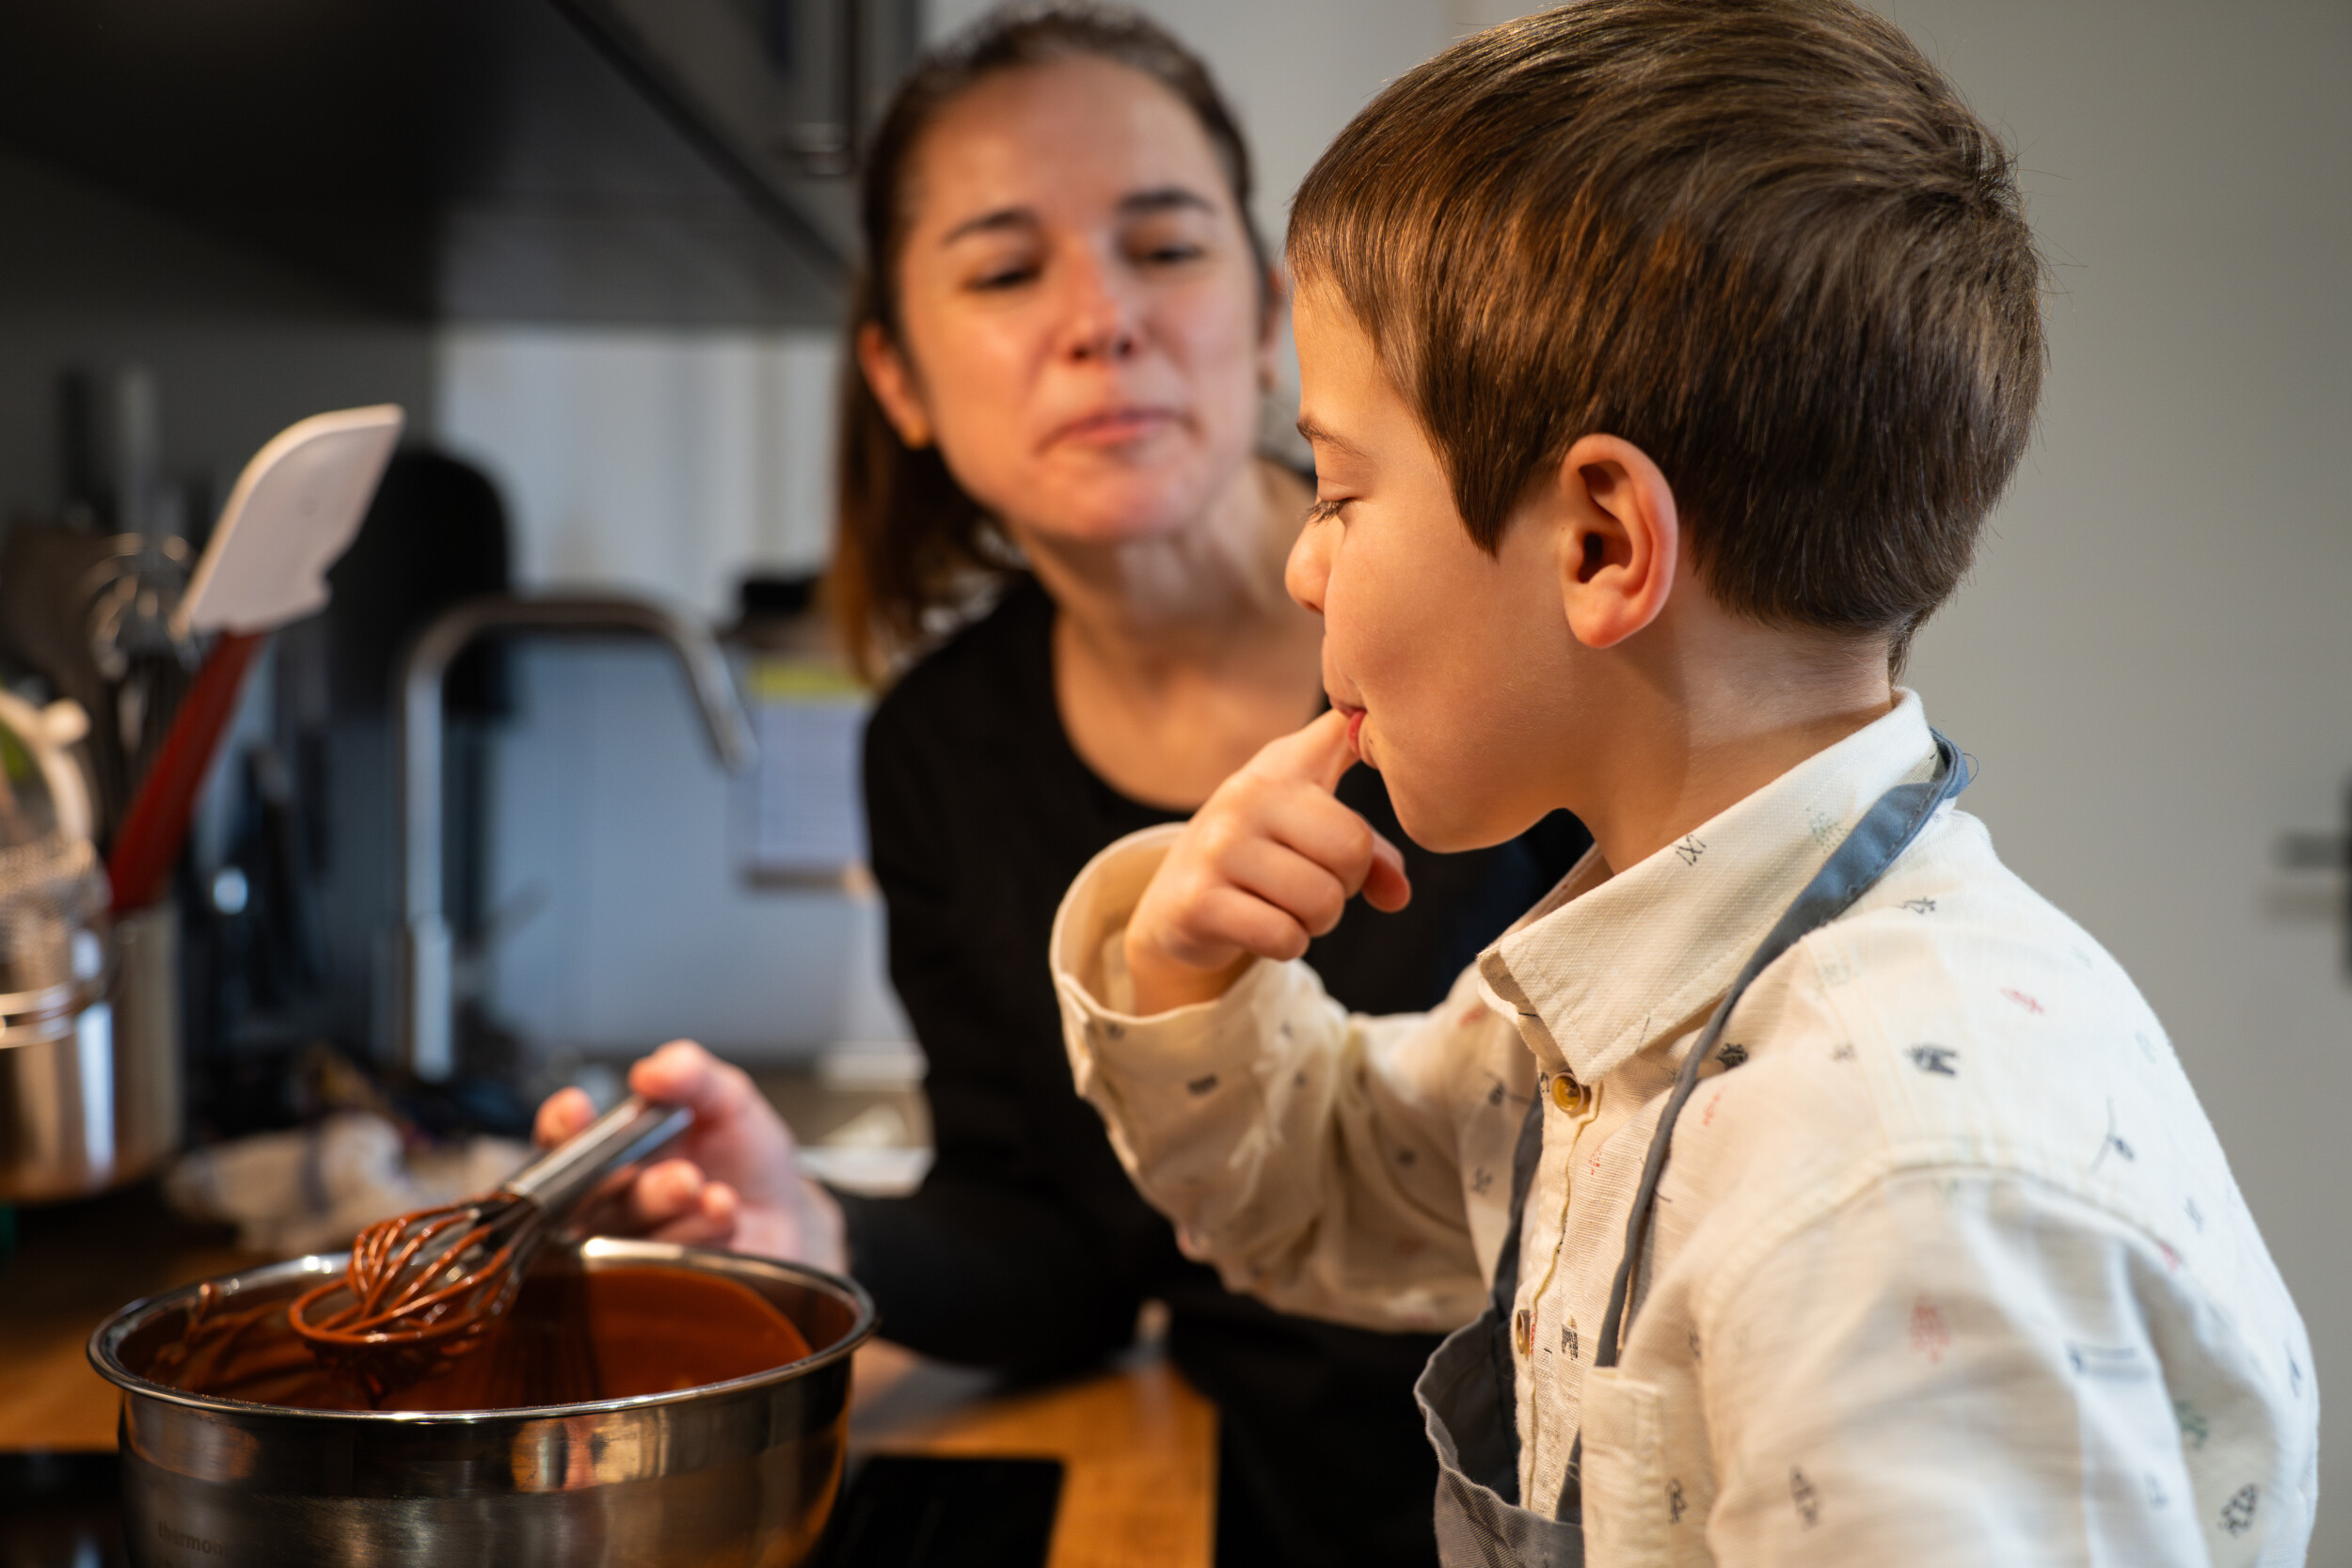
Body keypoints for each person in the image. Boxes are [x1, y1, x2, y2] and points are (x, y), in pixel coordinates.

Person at [1043, 2, 2319, 1563]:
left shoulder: (1901, 1180)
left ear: (1602, 545)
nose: (1306, 564)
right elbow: (1332, 1188)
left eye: (1339, 488)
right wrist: (1181, 967)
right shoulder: (1620, 999)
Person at [535, 8, 1587, 1565]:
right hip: (1256, 1511)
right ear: (898, 373)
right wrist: (816, 1235)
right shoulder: (940, 750)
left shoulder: (1515, 625)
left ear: (1264, 316)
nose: (1101, 321)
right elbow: (1064, 1250)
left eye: (1164, 249)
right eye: (1008, 270)